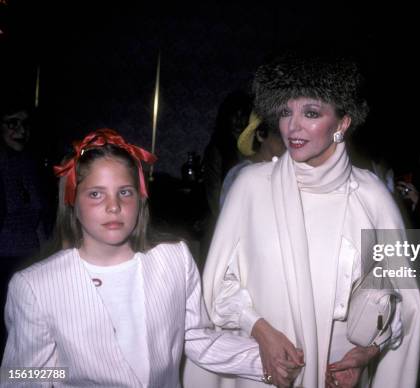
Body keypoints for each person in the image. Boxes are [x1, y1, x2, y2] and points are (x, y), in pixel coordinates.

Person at [185, 53, 420, 388]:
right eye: (285, 112)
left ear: (342, 123)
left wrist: (367, 353)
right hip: (261, 371)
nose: (292, 126)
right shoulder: (251, 188)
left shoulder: (371, 198)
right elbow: (218, 287)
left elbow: (400, 303)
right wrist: (260, 330)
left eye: (310, 113)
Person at [0, 129, 301, 387]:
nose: (113, 206)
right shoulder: (35, 286)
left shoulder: (174, 259)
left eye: (125, 192)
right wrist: (69, 374)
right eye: (95, 194)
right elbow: (20, 374)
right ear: (72, 202)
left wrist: (267, 361)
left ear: (140, 199)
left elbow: (195, 337)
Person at [0, 101, 54, 353]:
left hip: (29, 260)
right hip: (1, 259)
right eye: (12, 123)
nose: (21, 131)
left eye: (25, 125)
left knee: (25, 332)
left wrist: (46, 260)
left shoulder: (32, 164)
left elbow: (41, 218)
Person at [219, 110, 286, 206]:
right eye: (280, 134)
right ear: (260, 134)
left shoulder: (280, 169)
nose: (288, 140)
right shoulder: (241, 175)